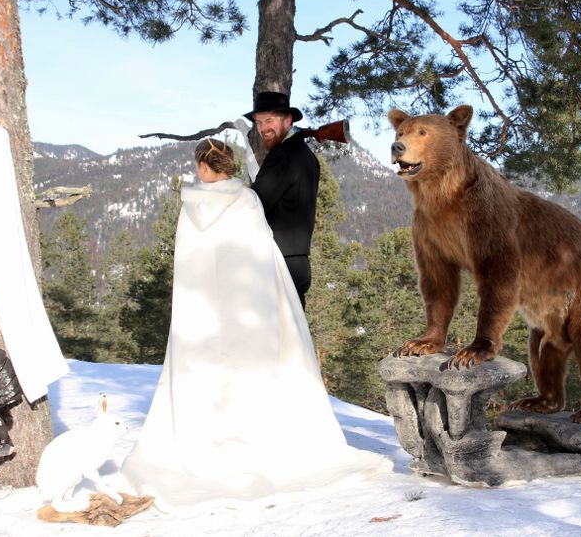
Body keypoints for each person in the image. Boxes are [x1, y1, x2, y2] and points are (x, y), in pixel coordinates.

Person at [120, 139, 387, 507]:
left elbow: (189, 268)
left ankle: (207, 444)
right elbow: (263, 262)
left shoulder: (190, 206)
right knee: (249, 381)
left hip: (200, 319)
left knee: (207, 384)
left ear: (203, 166)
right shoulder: (246, 202)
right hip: (246, 316)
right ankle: (253, 444)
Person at [245, 91, 320, 308]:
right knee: (294, 339)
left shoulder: (283, 155)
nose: (263, 128)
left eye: (269, 120)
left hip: (279, 263)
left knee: (274, 339)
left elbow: (254, 205)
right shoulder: (307, 156)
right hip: (297, 262)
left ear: (288, 120)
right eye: (259, 122)